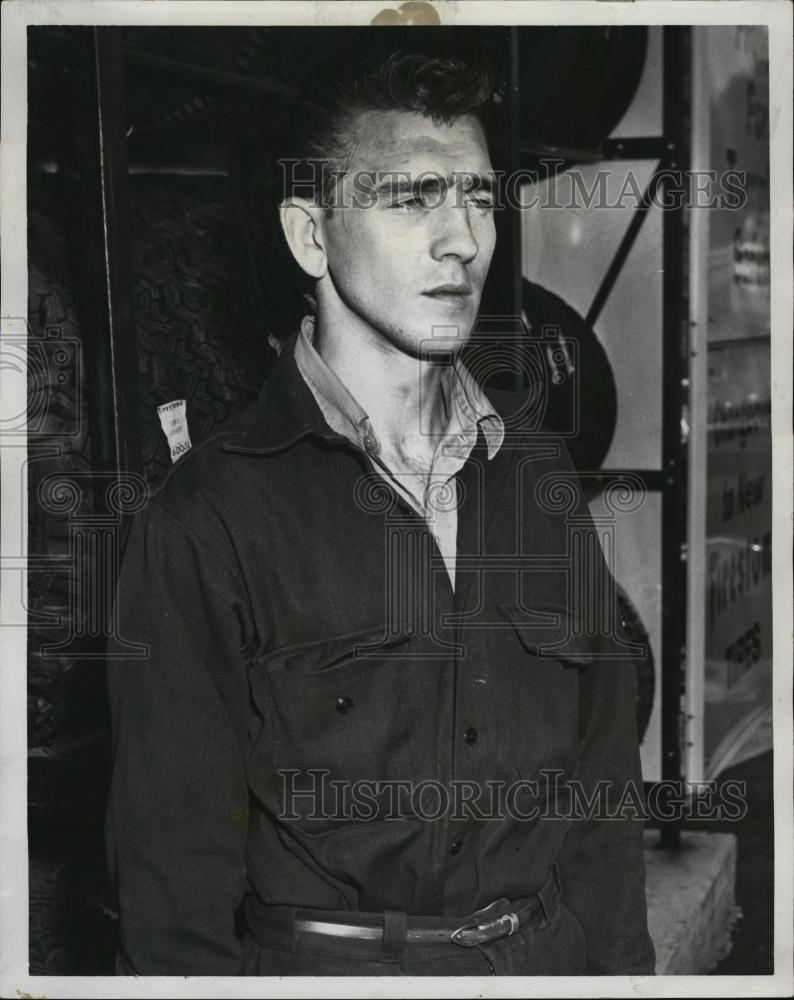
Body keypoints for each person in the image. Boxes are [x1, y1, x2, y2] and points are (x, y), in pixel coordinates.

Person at [105, 48, 656, 977]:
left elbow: (602, 801)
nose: (464, 242)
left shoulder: (534, 475)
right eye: (413, 198)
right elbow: (173, 890)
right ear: (310, 237)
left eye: (479, 198)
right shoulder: (211, 518)